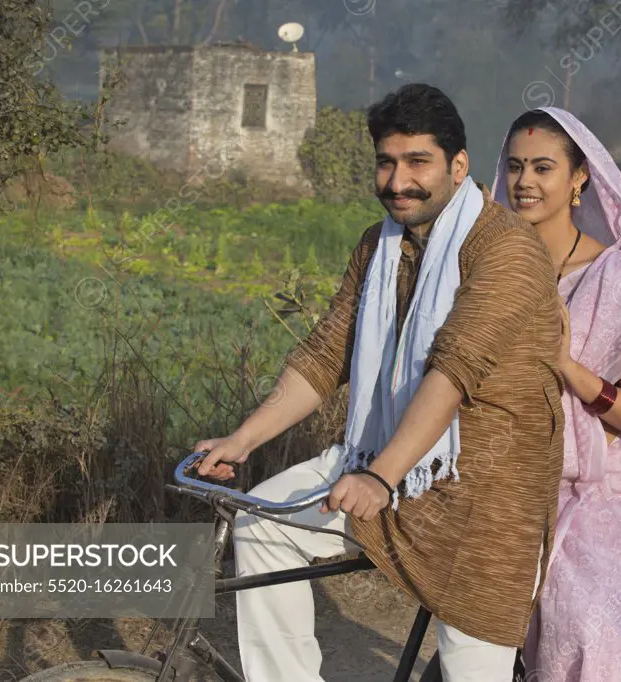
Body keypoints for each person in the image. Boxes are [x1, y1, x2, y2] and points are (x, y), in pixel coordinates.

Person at [192, 84, 566, 682]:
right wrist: (242, 440)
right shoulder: (378, 245)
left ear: (459, 165)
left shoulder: (507, 250)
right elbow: (324, 355)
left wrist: (378, 476)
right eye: (386, 162)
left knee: (473, 668)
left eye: (418, 161)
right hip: (384, 459)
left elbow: (454, 368)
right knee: (263, 526)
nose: (398, 182)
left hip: (484, 499)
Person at [490, 107, 621, 681]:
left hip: (608, 495)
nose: (524, 182)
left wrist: (569, 370)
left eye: (542, 167)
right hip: (515, 483)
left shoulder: (619, 275)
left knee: (593, 632)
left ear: (579, 178)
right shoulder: (492, 272)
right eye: (513, 167)